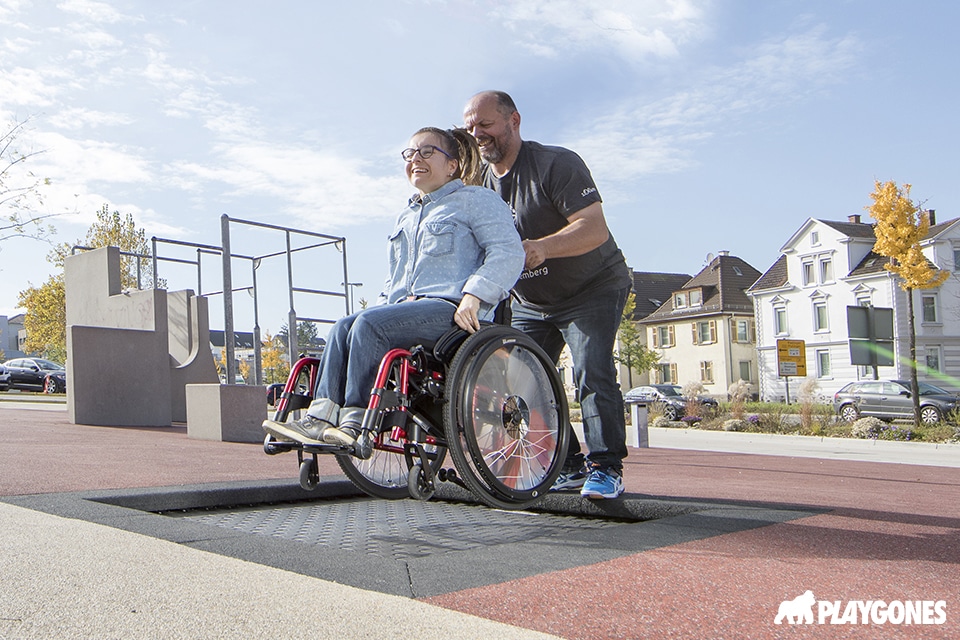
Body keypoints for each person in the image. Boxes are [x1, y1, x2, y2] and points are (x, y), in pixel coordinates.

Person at [263, 127, 524, 449]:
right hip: (406, 308)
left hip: (451, 309)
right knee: (345, 325)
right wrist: (378, 307)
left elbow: (508, 252)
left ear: (452, 165)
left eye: (427, 152)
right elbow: (394, 280)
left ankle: (355, 422)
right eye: (410, 153)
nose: (416, 159)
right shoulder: (407, 216)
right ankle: (320, 417)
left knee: (369, 325)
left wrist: (475, 295)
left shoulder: (475, 200)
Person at [463, 90, 633, 499]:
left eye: (485, 124)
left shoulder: (556, 164)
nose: (477, 134)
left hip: (592, 287)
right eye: (470, 127)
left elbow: (594, 229)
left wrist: (543, 247)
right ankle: (569, 464)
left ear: (513, 121)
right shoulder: (478, 187)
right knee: (521, 382)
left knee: (591, 369)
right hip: (531, 301)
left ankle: (606, 468)